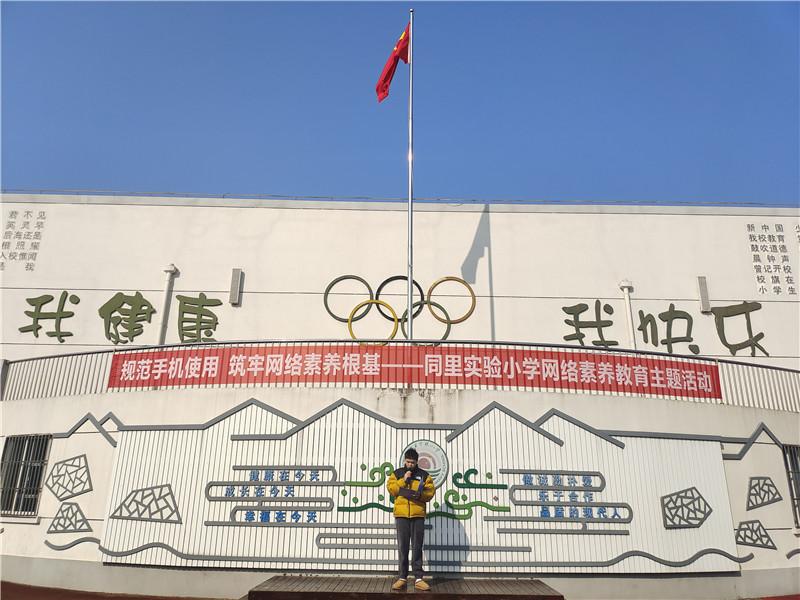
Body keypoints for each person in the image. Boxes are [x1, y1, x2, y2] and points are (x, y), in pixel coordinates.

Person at [386, 447, 435, 591]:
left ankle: (418, 578)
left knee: (417, 546)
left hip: (417, 515)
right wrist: (403, 480)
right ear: (404, 461)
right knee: (403, 547)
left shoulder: (424, 475)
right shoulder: (397, 474)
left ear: (417, 462)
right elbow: (391, 489)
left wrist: (420, 496)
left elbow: (430, 492)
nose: (410, 465)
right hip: (401, 515)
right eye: (408, 462)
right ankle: (402, 577)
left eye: (413, 463)